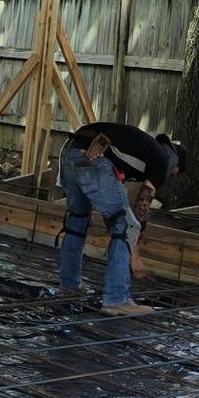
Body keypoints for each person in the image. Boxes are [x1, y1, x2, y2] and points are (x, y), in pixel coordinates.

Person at [56, 122, 181, 315]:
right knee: (127, 225)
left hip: (70, 151)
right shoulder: (163, 161)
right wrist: (135, 254)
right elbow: (142, 206)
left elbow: (112, 204)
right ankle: (116, 299)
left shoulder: (141, 148)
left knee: (77, 220)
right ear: (177, 167)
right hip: (95, 155)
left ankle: (69, 284)